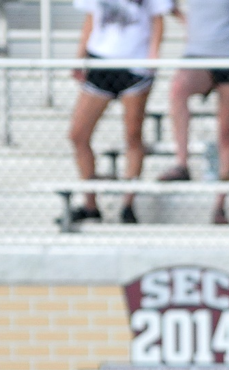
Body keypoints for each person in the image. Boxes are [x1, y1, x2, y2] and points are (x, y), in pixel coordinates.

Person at [68, 0, 171, 224]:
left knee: (133, 135)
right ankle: (90, 204)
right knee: (78, 134)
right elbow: (91, 18)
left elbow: (158, 19)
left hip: (135, 63)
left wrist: (153, 54)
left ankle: (128, 204)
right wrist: (80, 56)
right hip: (100, 61)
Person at [157, 0, 229, 225]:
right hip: (198, 53)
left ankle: (220, 206)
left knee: (226, 132)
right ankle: (182, 164)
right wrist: (184, 20)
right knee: (178, 89)